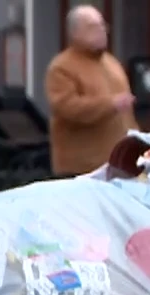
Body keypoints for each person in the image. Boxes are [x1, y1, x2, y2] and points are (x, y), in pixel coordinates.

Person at [44, 5, 138, 177]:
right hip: (80, 168)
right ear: (74, 33)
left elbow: (127, 115)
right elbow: (67, 107)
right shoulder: (62, 67)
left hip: (117, 164)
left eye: (103, 26)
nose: (101, 31)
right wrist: (110, 104)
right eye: (92, 27)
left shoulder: (112, 63)